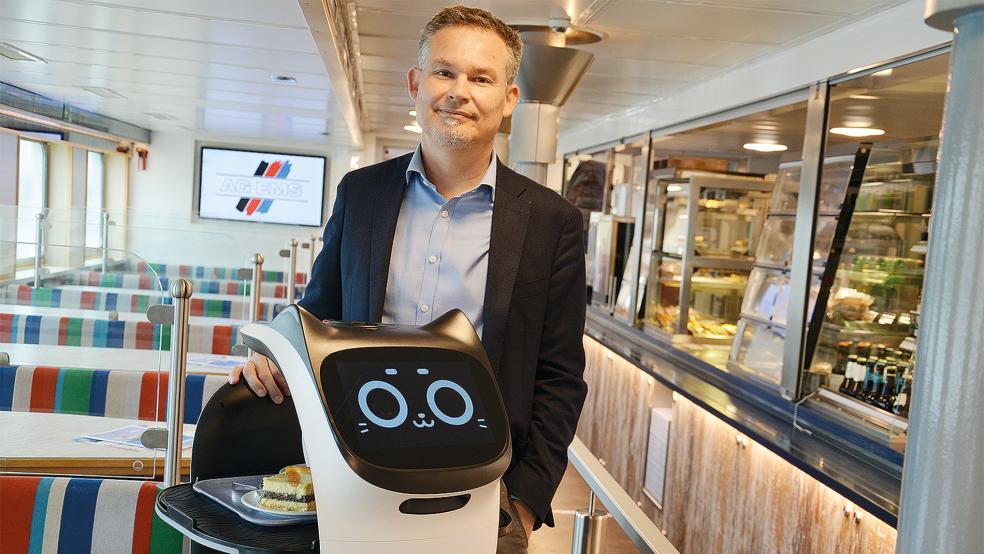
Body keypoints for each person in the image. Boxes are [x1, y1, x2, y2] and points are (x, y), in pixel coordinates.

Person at [229, 5, 587, 552]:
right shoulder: (361, 193)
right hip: (354, 471)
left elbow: (559, 376)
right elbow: (319, 313)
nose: (459, 91)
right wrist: (274, 354)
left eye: (481, 78)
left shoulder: (551, 222)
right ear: (417, 83)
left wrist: (527, 502)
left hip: (484, 490)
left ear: (509, 99)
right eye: (444, 72)